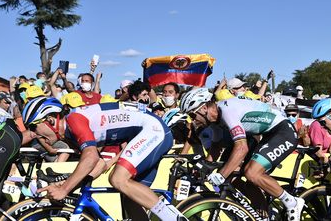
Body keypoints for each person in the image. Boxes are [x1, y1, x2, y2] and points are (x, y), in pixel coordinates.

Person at [23, 97, 186, 220]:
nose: (34, 134)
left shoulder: (74, 120)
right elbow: (99, 164)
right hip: (144, 132)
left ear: (50, 120)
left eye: (33, 126)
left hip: (153, 130)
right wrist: (66, 185)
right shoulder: (70, 135)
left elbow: (91, 157)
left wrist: (64, 190)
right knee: (130, 198)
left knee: (118, 179)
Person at [180, 88, 304, 220]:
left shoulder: (227, 111)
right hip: (264, 135)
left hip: (283, 132)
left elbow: (242, 148)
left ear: (204, 108)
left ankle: (292, 202)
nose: (193, 121)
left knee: (252, 173)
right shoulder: (215, 121)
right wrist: (204, 169)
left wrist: (221, 176)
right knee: (232, 176)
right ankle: (262, 212)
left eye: (193, 115)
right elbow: (216, 148)